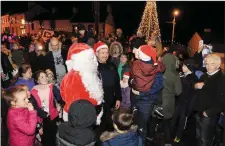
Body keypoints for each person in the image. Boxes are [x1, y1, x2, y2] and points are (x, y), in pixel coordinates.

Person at [60, 43, 104, 123]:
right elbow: (72, 103)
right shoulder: (72, 77)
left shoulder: (89, 72)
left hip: (91, 115)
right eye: (89, 58)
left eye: (92, 58)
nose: (92, 61)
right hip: (82, 120)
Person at [193, 54, 225, 146]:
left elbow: (222, 101)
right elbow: (196, 87)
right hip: (199, 111)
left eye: (212, 64)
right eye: (207, 64)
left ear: (218, 65)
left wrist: (209, 113)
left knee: (206, 140)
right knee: (198, 136)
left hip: (209, 115)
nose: (208, 67)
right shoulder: (204, 75)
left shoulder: (222, 79)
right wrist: (195, 86)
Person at [94, 41, 122, 141]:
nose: (105, 55)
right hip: (97, 101)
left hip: (110, 99)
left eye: (106, 53)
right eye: (102, 53)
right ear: (96, 53)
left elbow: (117, 84)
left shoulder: (112, 66)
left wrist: (118, 98)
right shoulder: (93, 67)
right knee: (98, 125)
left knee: (108, 122)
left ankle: (108, 141)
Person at [31, 70, 64, 146]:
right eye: (41, 77)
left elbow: (60, 98)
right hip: (41, 118)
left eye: (45, 76)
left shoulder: (52, 87)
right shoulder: (33, 91)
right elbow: (34, 107)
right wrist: (44, 115)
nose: (45, 78)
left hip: (52, 116)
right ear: (37, 80)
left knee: (54, 137)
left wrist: (59, 106)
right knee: (45, 140)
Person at [172, 59, 198, 143]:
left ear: (189, 67)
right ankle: (172, 133)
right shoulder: (182, 75)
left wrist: (189, 109)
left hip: (186, 104)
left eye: (184, 66)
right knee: (174, 118)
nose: (182, 67)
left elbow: (193, 95)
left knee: (182, 122)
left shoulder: (193, 78)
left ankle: (179, 135)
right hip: (178, 101)